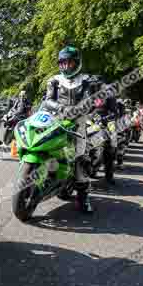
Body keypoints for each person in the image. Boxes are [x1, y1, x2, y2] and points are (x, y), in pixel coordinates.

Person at [40, 45, 109, 214]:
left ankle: (83, 197)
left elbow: (94, 100)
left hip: (78, 122)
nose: (65, 66)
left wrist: (87, 106)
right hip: (56, 119)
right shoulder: (54, 80)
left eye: (69, 63)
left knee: (80, 157)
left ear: (76, 63)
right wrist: (60, 108)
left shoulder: (88, 80)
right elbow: (47, 100)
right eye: (62, 63)